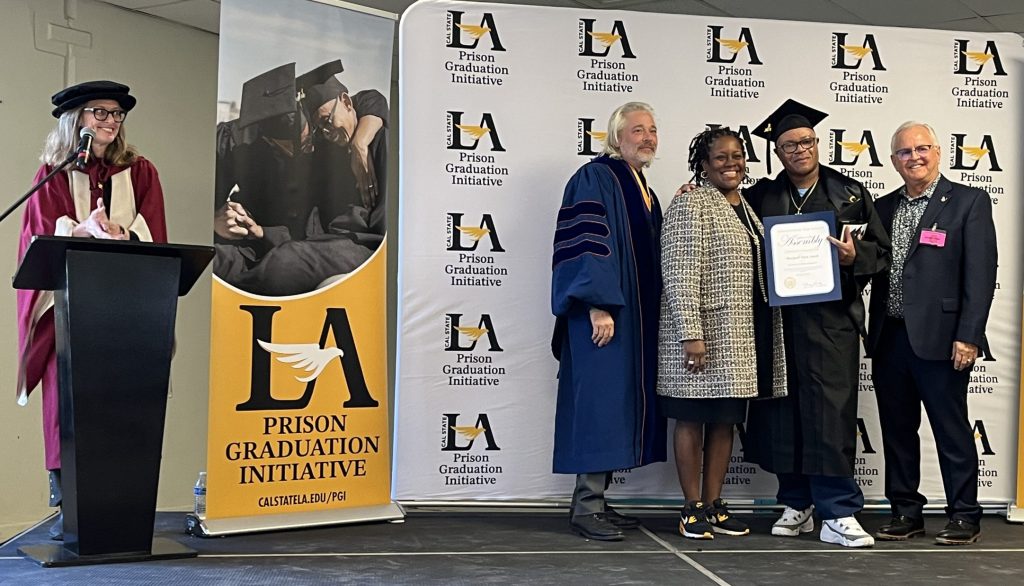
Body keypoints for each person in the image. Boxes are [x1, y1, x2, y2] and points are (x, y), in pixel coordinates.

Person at [16, 80, 168, 540]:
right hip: (71, 310)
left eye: (117, 113)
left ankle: (125, 506)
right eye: (99, 112)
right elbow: (39, 238)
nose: (110, 121)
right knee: (67, 402)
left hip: (128, 308)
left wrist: (124, 231)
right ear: (76, 119)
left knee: (128, 399)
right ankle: (70, 507)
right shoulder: (54, 171)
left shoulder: (139, 171)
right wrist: (82, 229)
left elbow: (156, 231)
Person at [742, 100, 890, 548]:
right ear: (777, 151)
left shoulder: (849, 192)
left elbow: (880, 255)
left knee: (830, 414)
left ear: (817, 143)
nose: (799, 150)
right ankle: (796, 500)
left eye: (805, 141)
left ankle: (837, 511)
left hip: (831, 325)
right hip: (780, 323)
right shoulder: (760, 197)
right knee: (782, 412)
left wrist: (853, 257)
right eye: (789, 145)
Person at [866, 121, 997, 546]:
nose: (914, 157)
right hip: (891, 337)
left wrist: (969, 335)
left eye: (922, 148)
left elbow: (980, 275)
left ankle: (964, 515)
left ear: (938, 153)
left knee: (951, 430)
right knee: (897, 431)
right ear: (893, 161)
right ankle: (905, 512)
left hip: (943, 338)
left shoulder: (968, 202)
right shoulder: (881, 208)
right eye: (904, 152)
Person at [658, 128, 787, 540]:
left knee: (725, 423)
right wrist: (690, 334)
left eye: (737, 156)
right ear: (703, 164)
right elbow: (679, 273)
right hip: (704, 336)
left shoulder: (748, 209)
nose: (731, 164)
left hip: (738, 340)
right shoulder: (690, 203)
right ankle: (690, 507)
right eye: (720, 157)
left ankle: (714, 505)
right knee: (692, 419)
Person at [551, 102, 667, 541]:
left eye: (653, 130)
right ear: (616, 137)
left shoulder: (644, 189)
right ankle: (585, 506)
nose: (648, 137)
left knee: (618, 405)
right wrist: (596, 304)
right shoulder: (595, 177)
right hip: (602, 315)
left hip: (632, 319)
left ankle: (600, 500)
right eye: (637, 130)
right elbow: (585, 244)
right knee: (599, 405)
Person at [213, 60, 387, 295]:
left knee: (284, 263)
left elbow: (366, 101)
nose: (321, 137)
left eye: (309, 138)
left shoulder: (355, 138)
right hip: (272, 239)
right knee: (219, 259)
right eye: (290, 146)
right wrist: (220, 219)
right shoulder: (238, 139)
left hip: (345, 243)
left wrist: (361, 143)